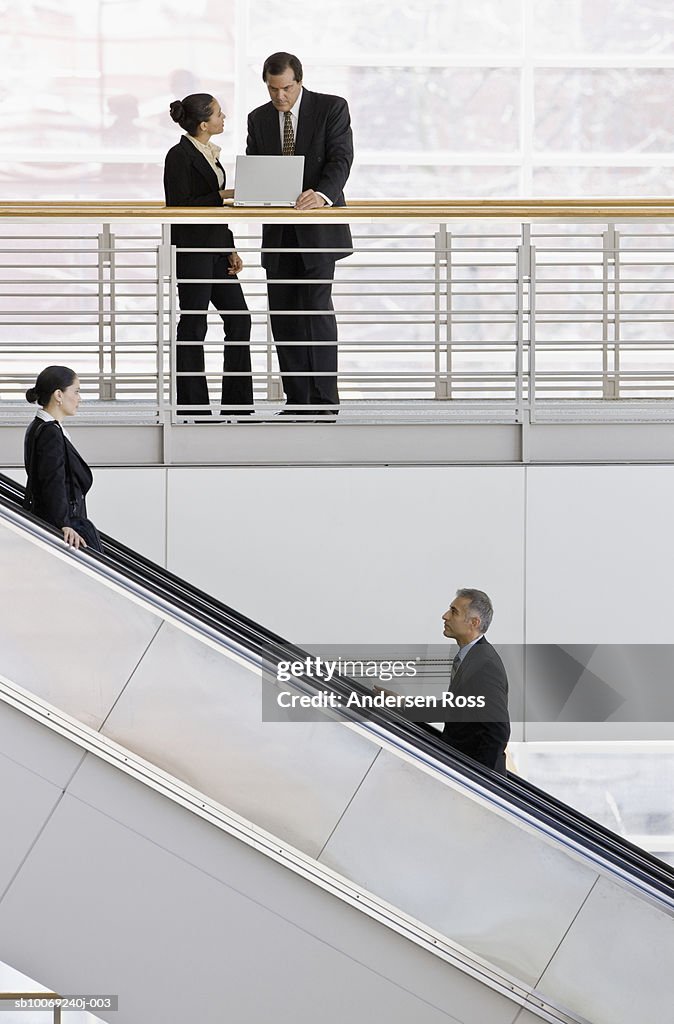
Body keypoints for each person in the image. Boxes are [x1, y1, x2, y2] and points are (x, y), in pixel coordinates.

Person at [246, 52, 353, 417]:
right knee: (284, 315)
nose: (280, 97)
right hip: (279, 231)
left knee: (316, 312)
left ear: (299, 80)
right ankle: (299, 401)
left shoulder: (331, 108)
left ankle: (325, 401)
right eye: (273, 89)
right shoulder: (258, 118)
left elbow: (341, 159)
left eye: (286, 88)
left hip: (318, 230)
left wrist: (322, 195)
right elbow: (257, 165)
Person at [164, 94, 253, 418]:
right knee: (194, 324)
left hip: (215, 249)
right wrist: (223, 194)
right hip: (192, 251)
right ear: (204, 124)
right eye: (218, 113)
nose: (224, 116)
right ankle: (192, 407)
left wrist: (229, 248)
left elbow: (215, 213)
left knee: (240, 319)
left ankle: (238, 404)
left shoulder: (208, 153)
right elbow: (181, 204)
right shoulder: (179, 155)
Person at [23, 366, 102, 552]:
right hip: (67, 523)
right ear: (59, 395)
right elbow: (53, 480)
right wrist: (62, 524)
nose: (79, 398)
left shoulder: (39, 427)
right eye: (76, 391)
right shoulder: (50, 432)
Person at [436, 589, 510, 774]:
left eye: (454, 612)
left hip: (474, 776)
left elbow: (498, 731)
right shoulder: (470, 657)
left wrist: (482, 782)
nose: (445, 616)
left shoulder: (485, 665)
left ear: (474, 623)